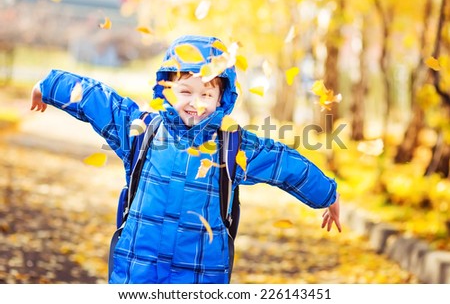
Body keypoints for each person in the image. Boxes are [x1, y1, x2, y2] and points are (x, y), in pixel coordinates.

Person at [30, 34, 341, 284]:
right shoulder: (141, 130)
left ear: (222, 98)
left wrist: (327, 194)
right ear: (166, 89)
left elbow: (283, 164)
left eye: (206, 94)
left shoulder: (233, 146)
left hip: (199, 277)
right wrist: (49, 86)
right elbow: (96, 99)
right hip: (137, 273)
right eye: (185, 91)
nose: (195, 103)